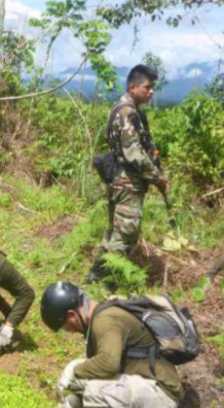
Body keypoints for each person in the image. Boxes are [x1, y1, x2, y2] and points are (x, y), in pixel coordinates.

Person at [40, 281, 184, 408]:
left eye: (67, 327)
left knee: (95, 388)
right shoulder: (101, 315)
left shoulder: (105, 321)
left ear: (72, 316)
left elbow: (109, 364)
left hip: (162, 395)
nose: (70, 332)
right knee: (79, 379)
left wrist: (74, 370)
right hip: (142, 383)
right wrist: (76, 399)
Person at [86, 64, 170, 286]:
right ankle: (110, 283)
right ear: (133, 87)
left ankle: (96, 275)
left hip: (119, 180)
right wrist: (157, 178)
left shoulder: (122, 109)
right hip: (128, 183)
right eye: (147, 87)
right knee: (125, 235)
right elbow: (134, 154)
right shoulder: (127, 113)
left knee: (115, 232)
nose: (151, 91)